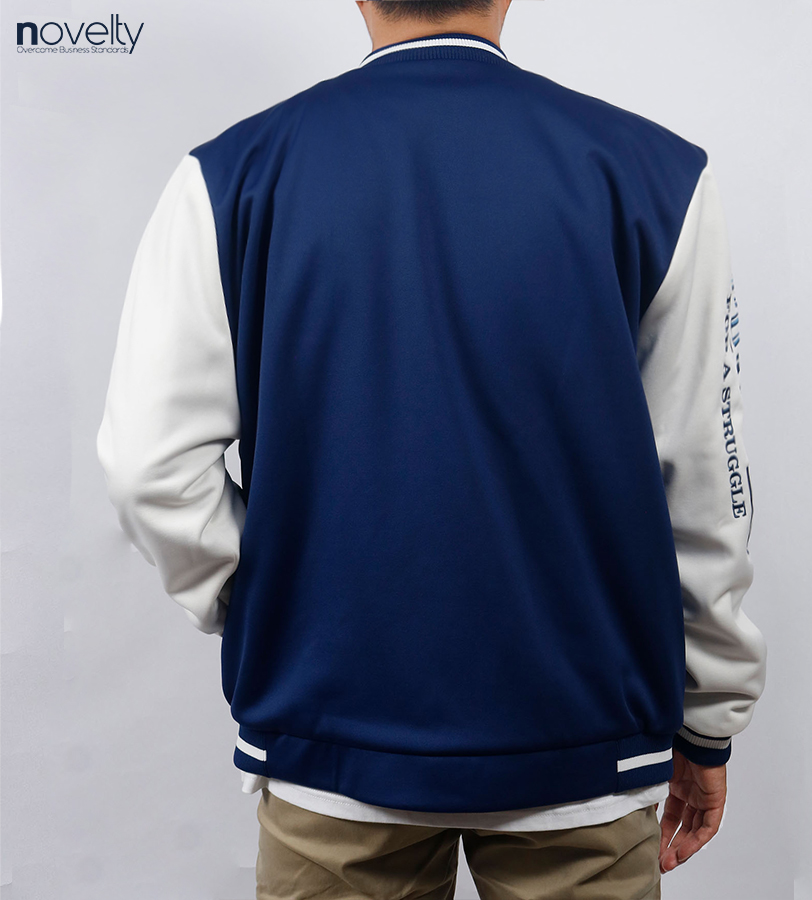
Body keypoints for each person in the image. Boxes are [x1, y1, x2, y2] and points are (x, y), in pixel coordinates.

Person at [96, 0, 768, 896]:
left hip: (331, 739)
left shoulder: (232, 176)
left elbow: (149, 467)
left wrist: (267, 604)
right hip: (583, 746)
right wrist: (710, 715)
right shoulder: (655, 176)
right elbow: (704, 484)